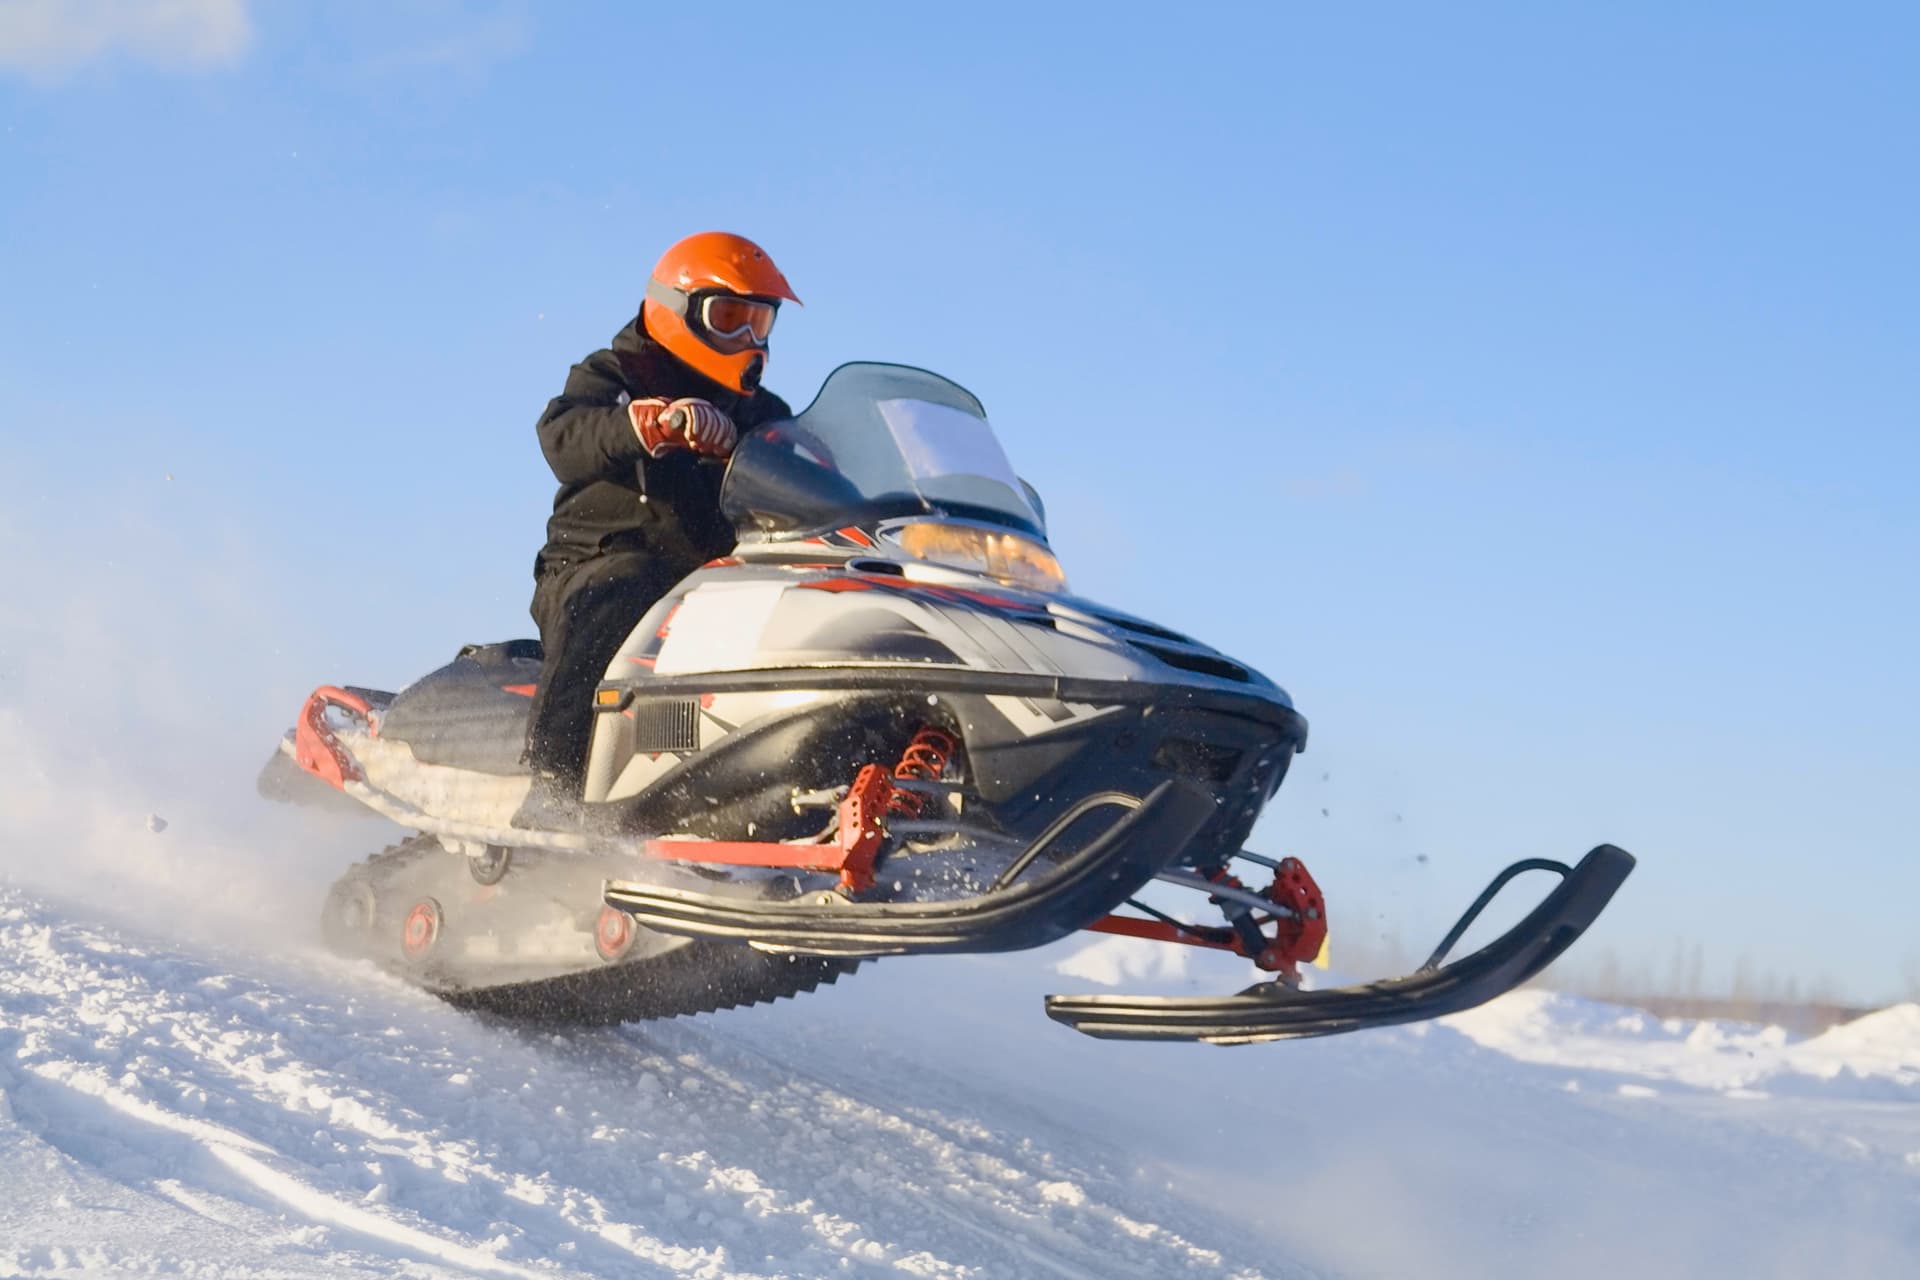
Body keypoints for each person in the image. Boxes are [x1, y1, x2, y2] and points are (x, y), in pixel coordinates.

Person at [518, 231, 801, 825]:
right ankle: (551, 791)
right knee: (622, 585)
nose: (749, 341)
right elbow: (563, 437)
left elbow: (811, 477)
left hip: (715, 580)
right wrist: (638, 426)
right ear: (678, 310)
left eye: (760, 323)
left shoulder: (766, 415)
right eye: (730, 318)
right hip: (599, 560)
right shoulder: (617, 372)